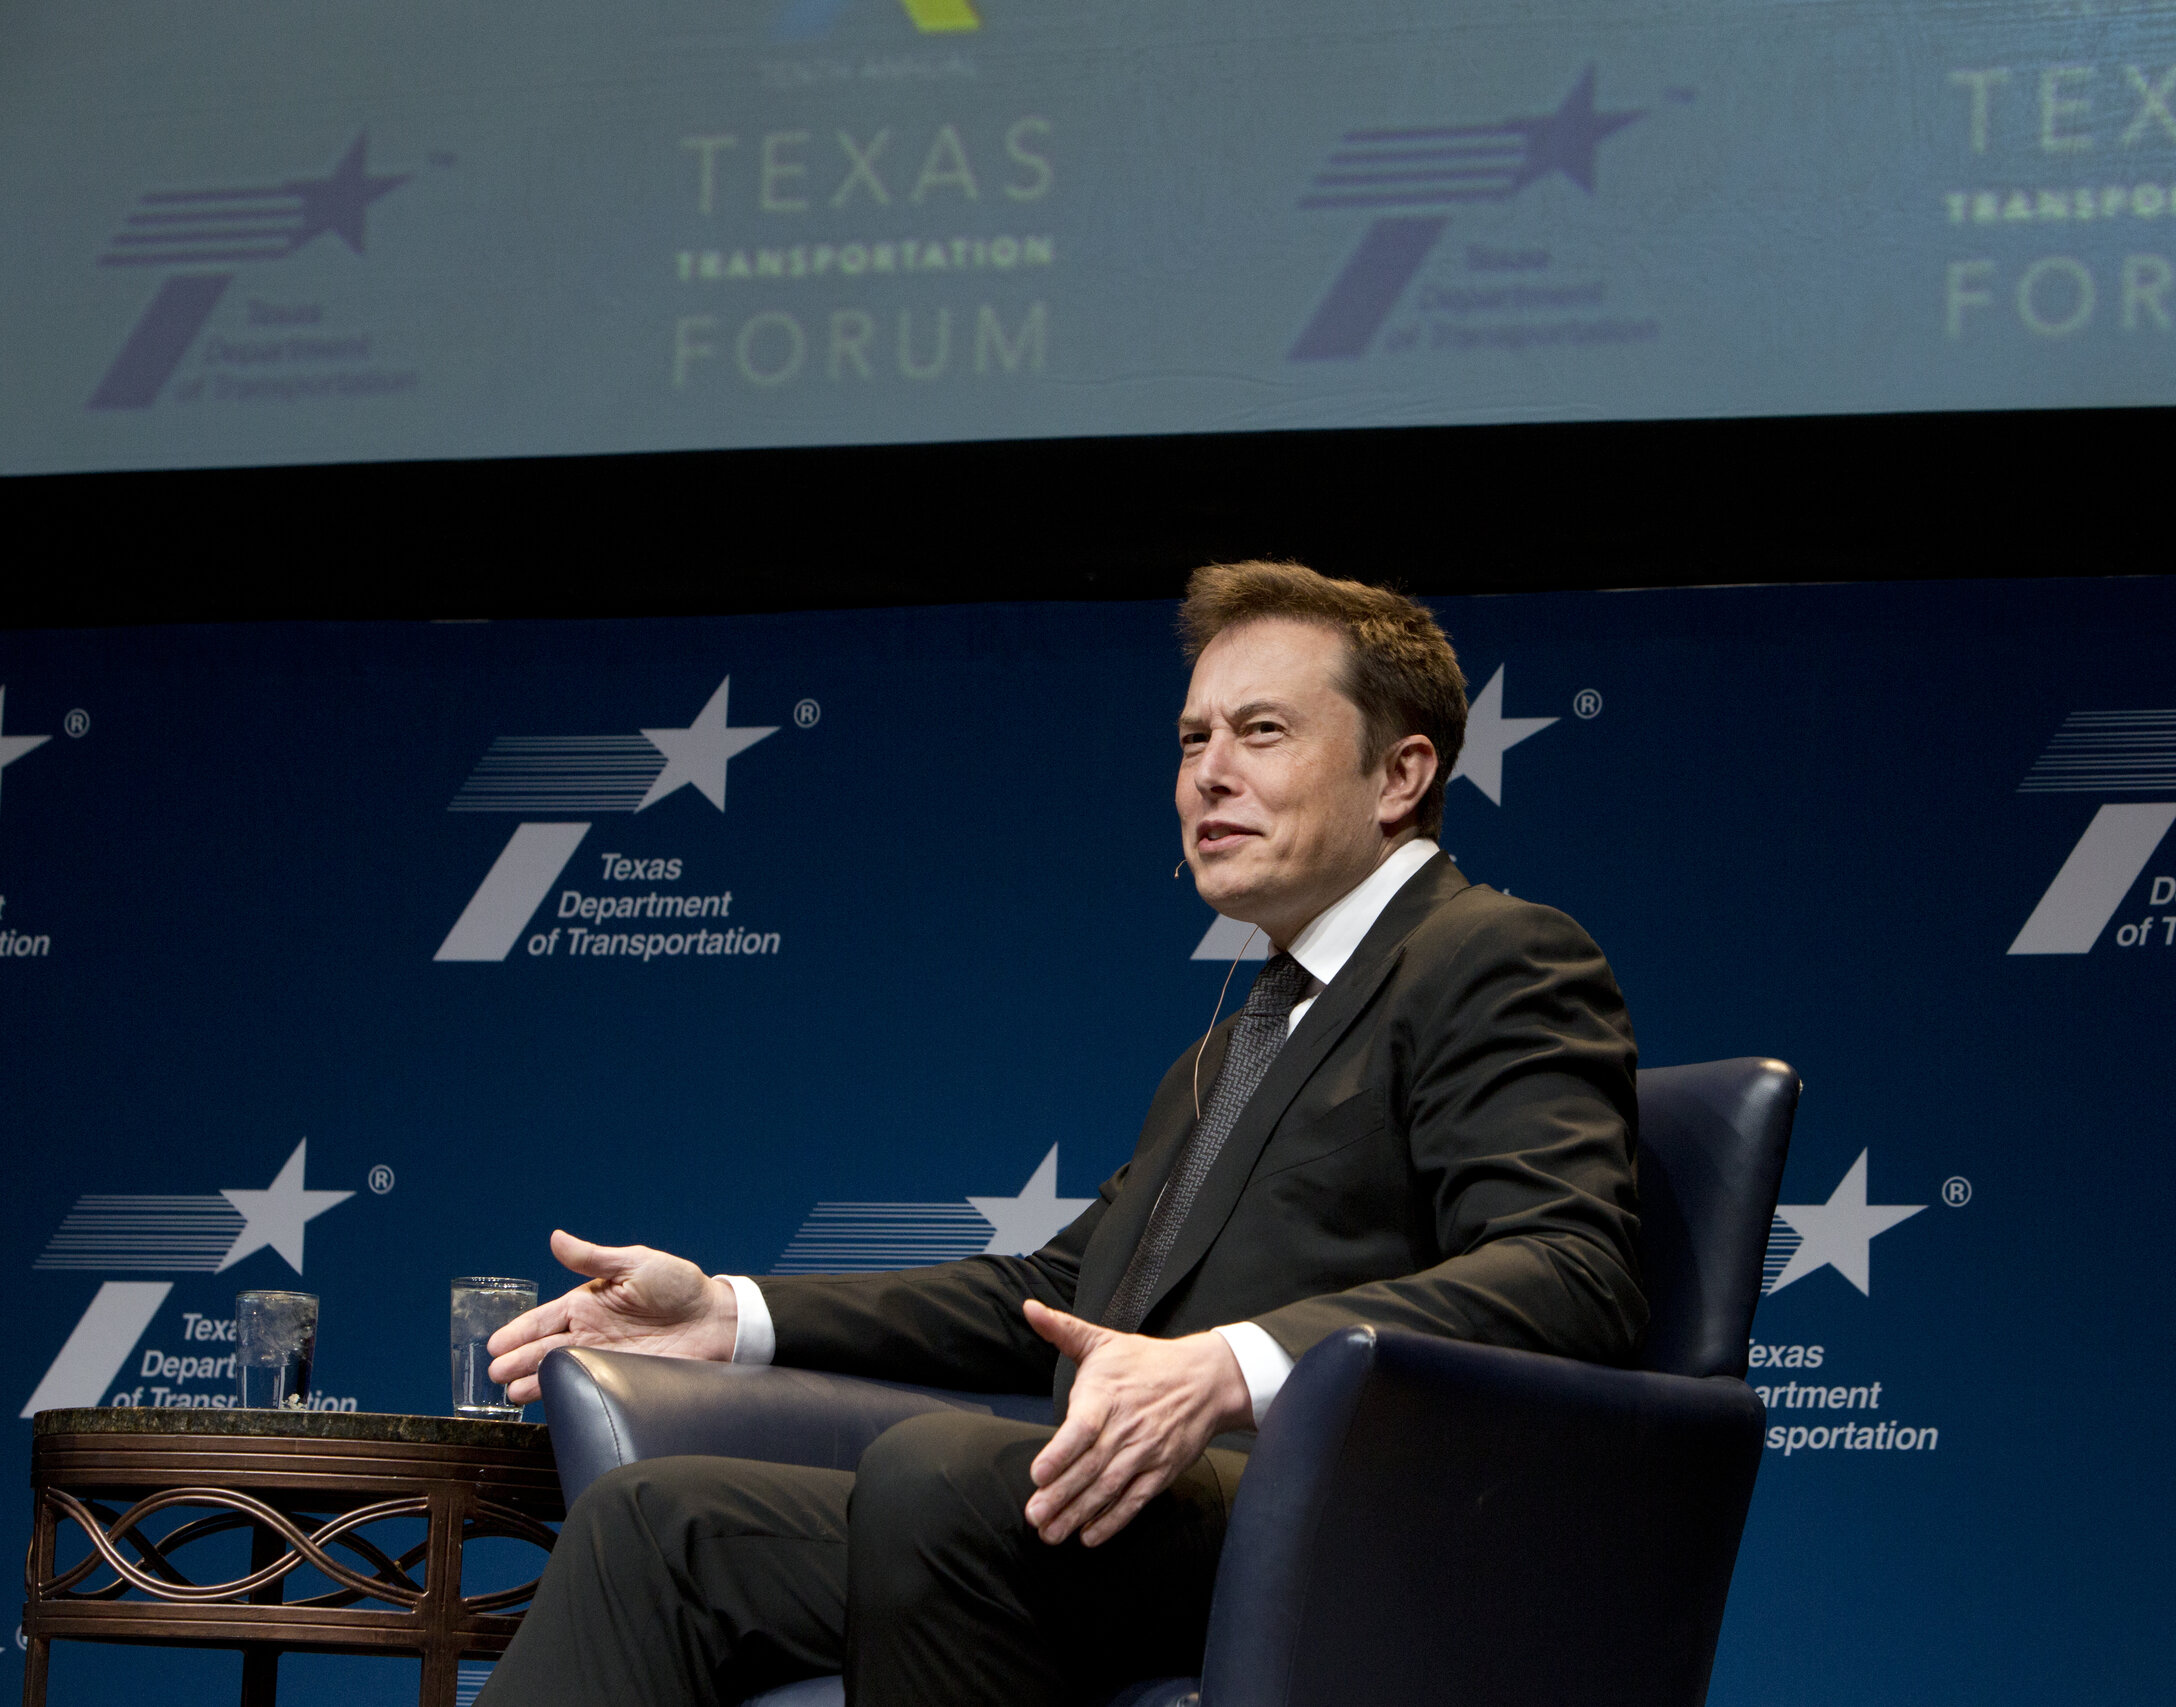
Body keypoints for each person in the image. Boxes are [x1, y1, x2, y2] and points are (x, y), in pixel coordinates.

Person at [476, 561, 1644, 1707]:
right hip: (1133, 1518)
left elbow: (1569, 1271)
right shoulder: (1236, 1043)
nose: (1208, 777)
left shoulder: (1494, 955)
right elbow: (1052, 1291)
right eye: (1193, 742)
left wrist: (1225, 1367)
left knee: (935, 1474)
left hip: (1347, 1526)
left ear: (1399, 776)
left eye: (1261, 732)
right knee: (655, 1526)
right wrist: (731, 1314)